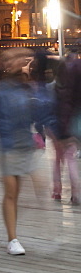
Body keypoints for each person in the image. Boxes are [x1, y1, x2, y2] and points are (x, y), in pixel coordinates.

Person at [0, 48, 44, 256]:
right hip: (7, 145)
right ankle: (12, 238)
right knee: (11, 192)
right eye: (8, 59)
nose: (13, 62)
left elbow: (41, 112)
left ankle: (26, 232)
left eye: (17, 58)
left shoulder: (28, 88)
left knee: (35, 187)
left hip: (26, 144)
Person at [52, 54, 81, 204]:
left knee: (59, 159)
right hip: (71, 126)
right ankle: (75, 193)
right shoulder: (73, 89)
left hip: (60, 128)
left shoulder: (54, 87)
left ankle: (57, 190)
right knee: (70, 159)